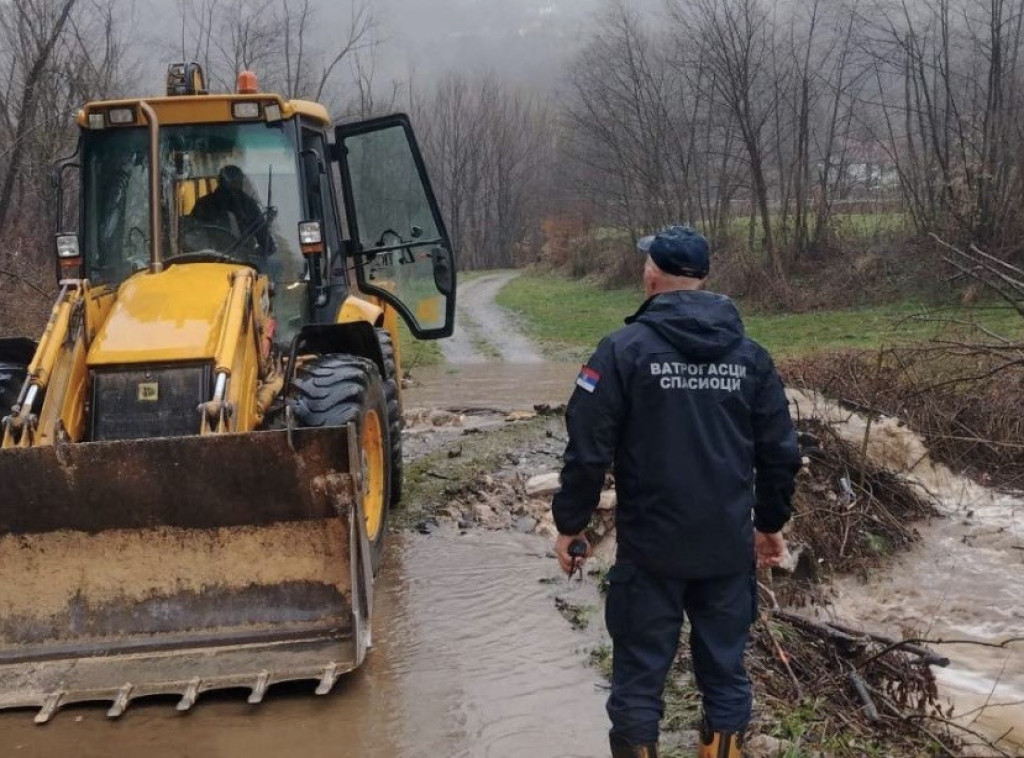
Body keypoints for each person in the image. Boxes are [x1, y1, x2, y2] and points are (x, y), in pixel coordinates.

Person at [551, 225, 801, 758]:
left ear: (651, 275)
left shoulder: (621, 352)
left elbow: (587, 446)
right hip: (726, 550)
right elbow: (780, 452)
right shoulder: (750, 358)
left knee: (639, 682)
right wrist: (769, 525)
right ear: (704, 278)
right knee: (726, 676)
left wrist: (571, 525)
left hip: (650, 553)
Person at [189, 164, 274, 256]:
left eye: (236, 184)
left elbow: (266, 244)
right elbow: (190, 235)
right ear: (220, 183)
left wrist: (250, 254)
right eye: (228, 186)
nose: (232, 193)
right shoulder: (204, 205)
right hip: (205, 261)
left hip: (242, 263)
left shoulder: (249, 206)